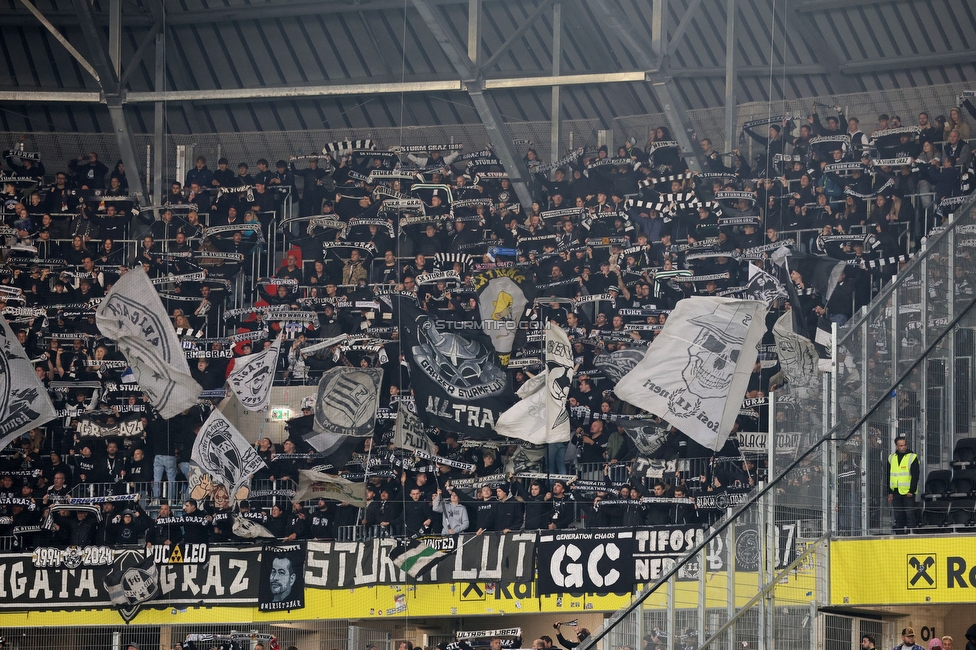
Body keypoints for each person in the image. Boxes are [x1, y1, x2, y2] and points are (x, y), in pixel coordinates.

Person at [887, 436, 920, 533]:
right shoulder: (891, 458)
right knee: (898, 515)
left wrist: (911, 490)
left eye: (905, 445)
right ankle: (899, 535)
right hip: (896, 491)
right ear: (896, 446)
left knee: (910, 514)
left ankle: (911, 534)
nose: (903, 447)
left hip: (907, 491)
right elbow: (889, 476)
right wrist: (890, 492)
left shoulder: (912, 457)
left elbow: (915, 475)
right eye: (901, 445)